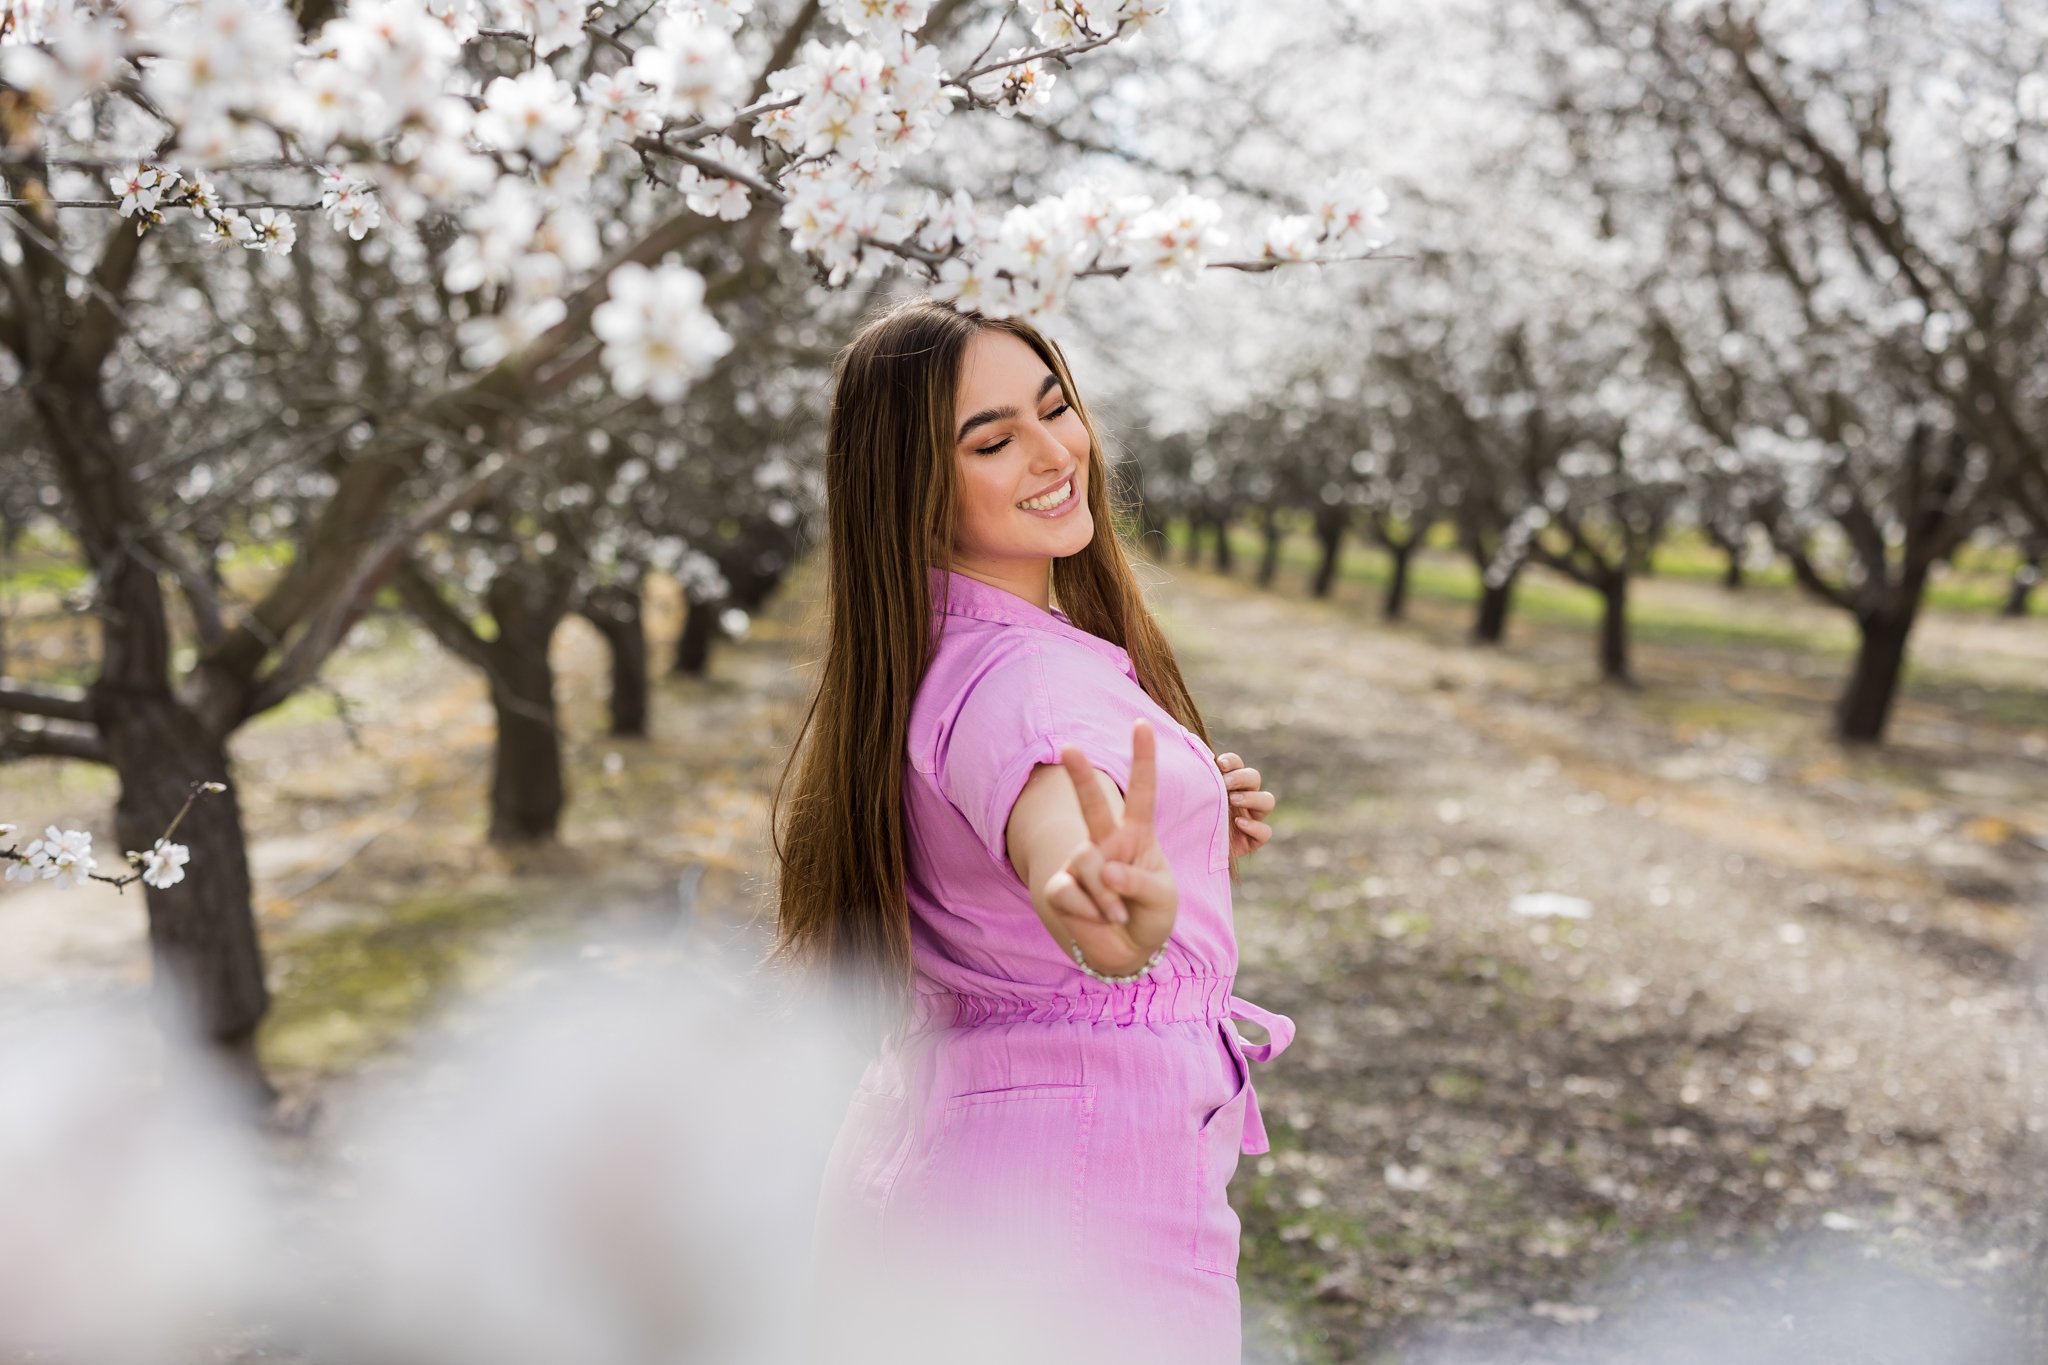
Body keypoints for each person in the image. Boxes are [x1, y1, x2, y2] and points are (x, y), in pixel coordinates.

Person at [771, 295, 1292, 1363]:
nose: (1055, 451)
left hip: (978, 1173)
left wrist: (1186, 829)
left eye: (1055, 408)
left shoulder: (950, 645)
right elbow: (1052, 827)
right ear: (912, 488)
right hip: (1074, 1226)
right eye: (993, 440)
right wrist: (1100, 903)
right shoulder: (1020, 686)